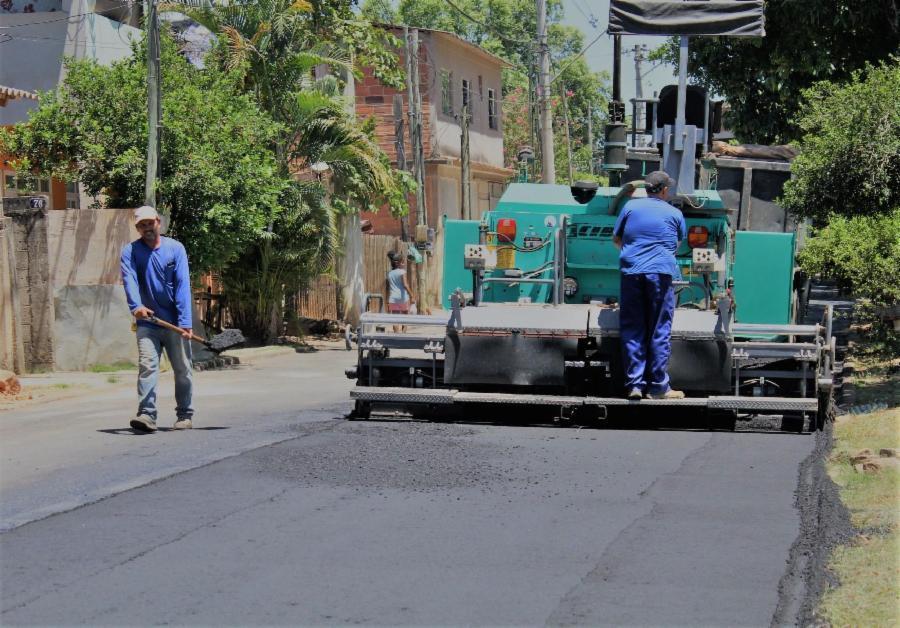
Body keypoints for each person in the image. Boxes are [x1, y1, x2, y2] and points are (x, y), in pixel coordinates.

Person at [613, 170, 687, 401]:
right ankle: (658, 387)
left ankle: (635, 385)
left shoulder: (630, 208)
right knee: (658, 330)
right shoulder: (674, 213)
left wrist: (635, 255)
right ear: (664, 190)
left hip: (631, 273)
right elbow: (677, 243)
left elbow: (617, 239)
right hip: (660, 275)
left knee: (633, 328)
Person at [120, 206, 194, 432]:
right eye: (142, 225)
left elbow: (182, 285)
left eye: (150, 223)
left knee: (182, 369)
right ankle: (147, 415)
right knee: (148, 366)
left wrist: (185, 322)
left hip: (174, 322)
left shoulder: (175, 249)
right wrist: (136, 307)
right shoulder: (130, 252)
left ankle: (184, 415)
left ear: (158, 222)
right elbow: (129, 279)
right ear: (138, 228)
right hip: (147, 322)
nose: (147, 228)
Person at [385, 253, 415, 332]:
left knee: (395, 319)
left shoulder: (390, 273)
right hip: (402, 298)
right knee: (405, 318)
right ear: (397, 263)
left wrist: (387, 301)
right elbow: (405, 285)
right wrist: (412, 295)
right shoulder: (402, 272)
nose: (404, 264)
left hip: (393, 298)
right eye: (402, 262)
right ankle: (403, 336)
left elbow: (388, 288)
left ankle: (396, 336)